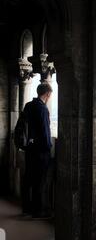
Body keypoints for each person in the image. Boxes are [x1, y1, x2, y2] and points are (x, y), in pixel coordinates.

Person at [22, 83, 53, 218]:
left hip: (29, 149)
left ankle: (27, 208)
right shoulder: (42, 109)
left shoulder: (28, 105)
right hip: (40, 151)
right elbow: (46, 133)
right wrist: (48, 148)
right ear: (47, 94)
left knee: (29, 179)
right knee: (40, 181)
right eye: (50, 95)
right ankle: (39, 211)